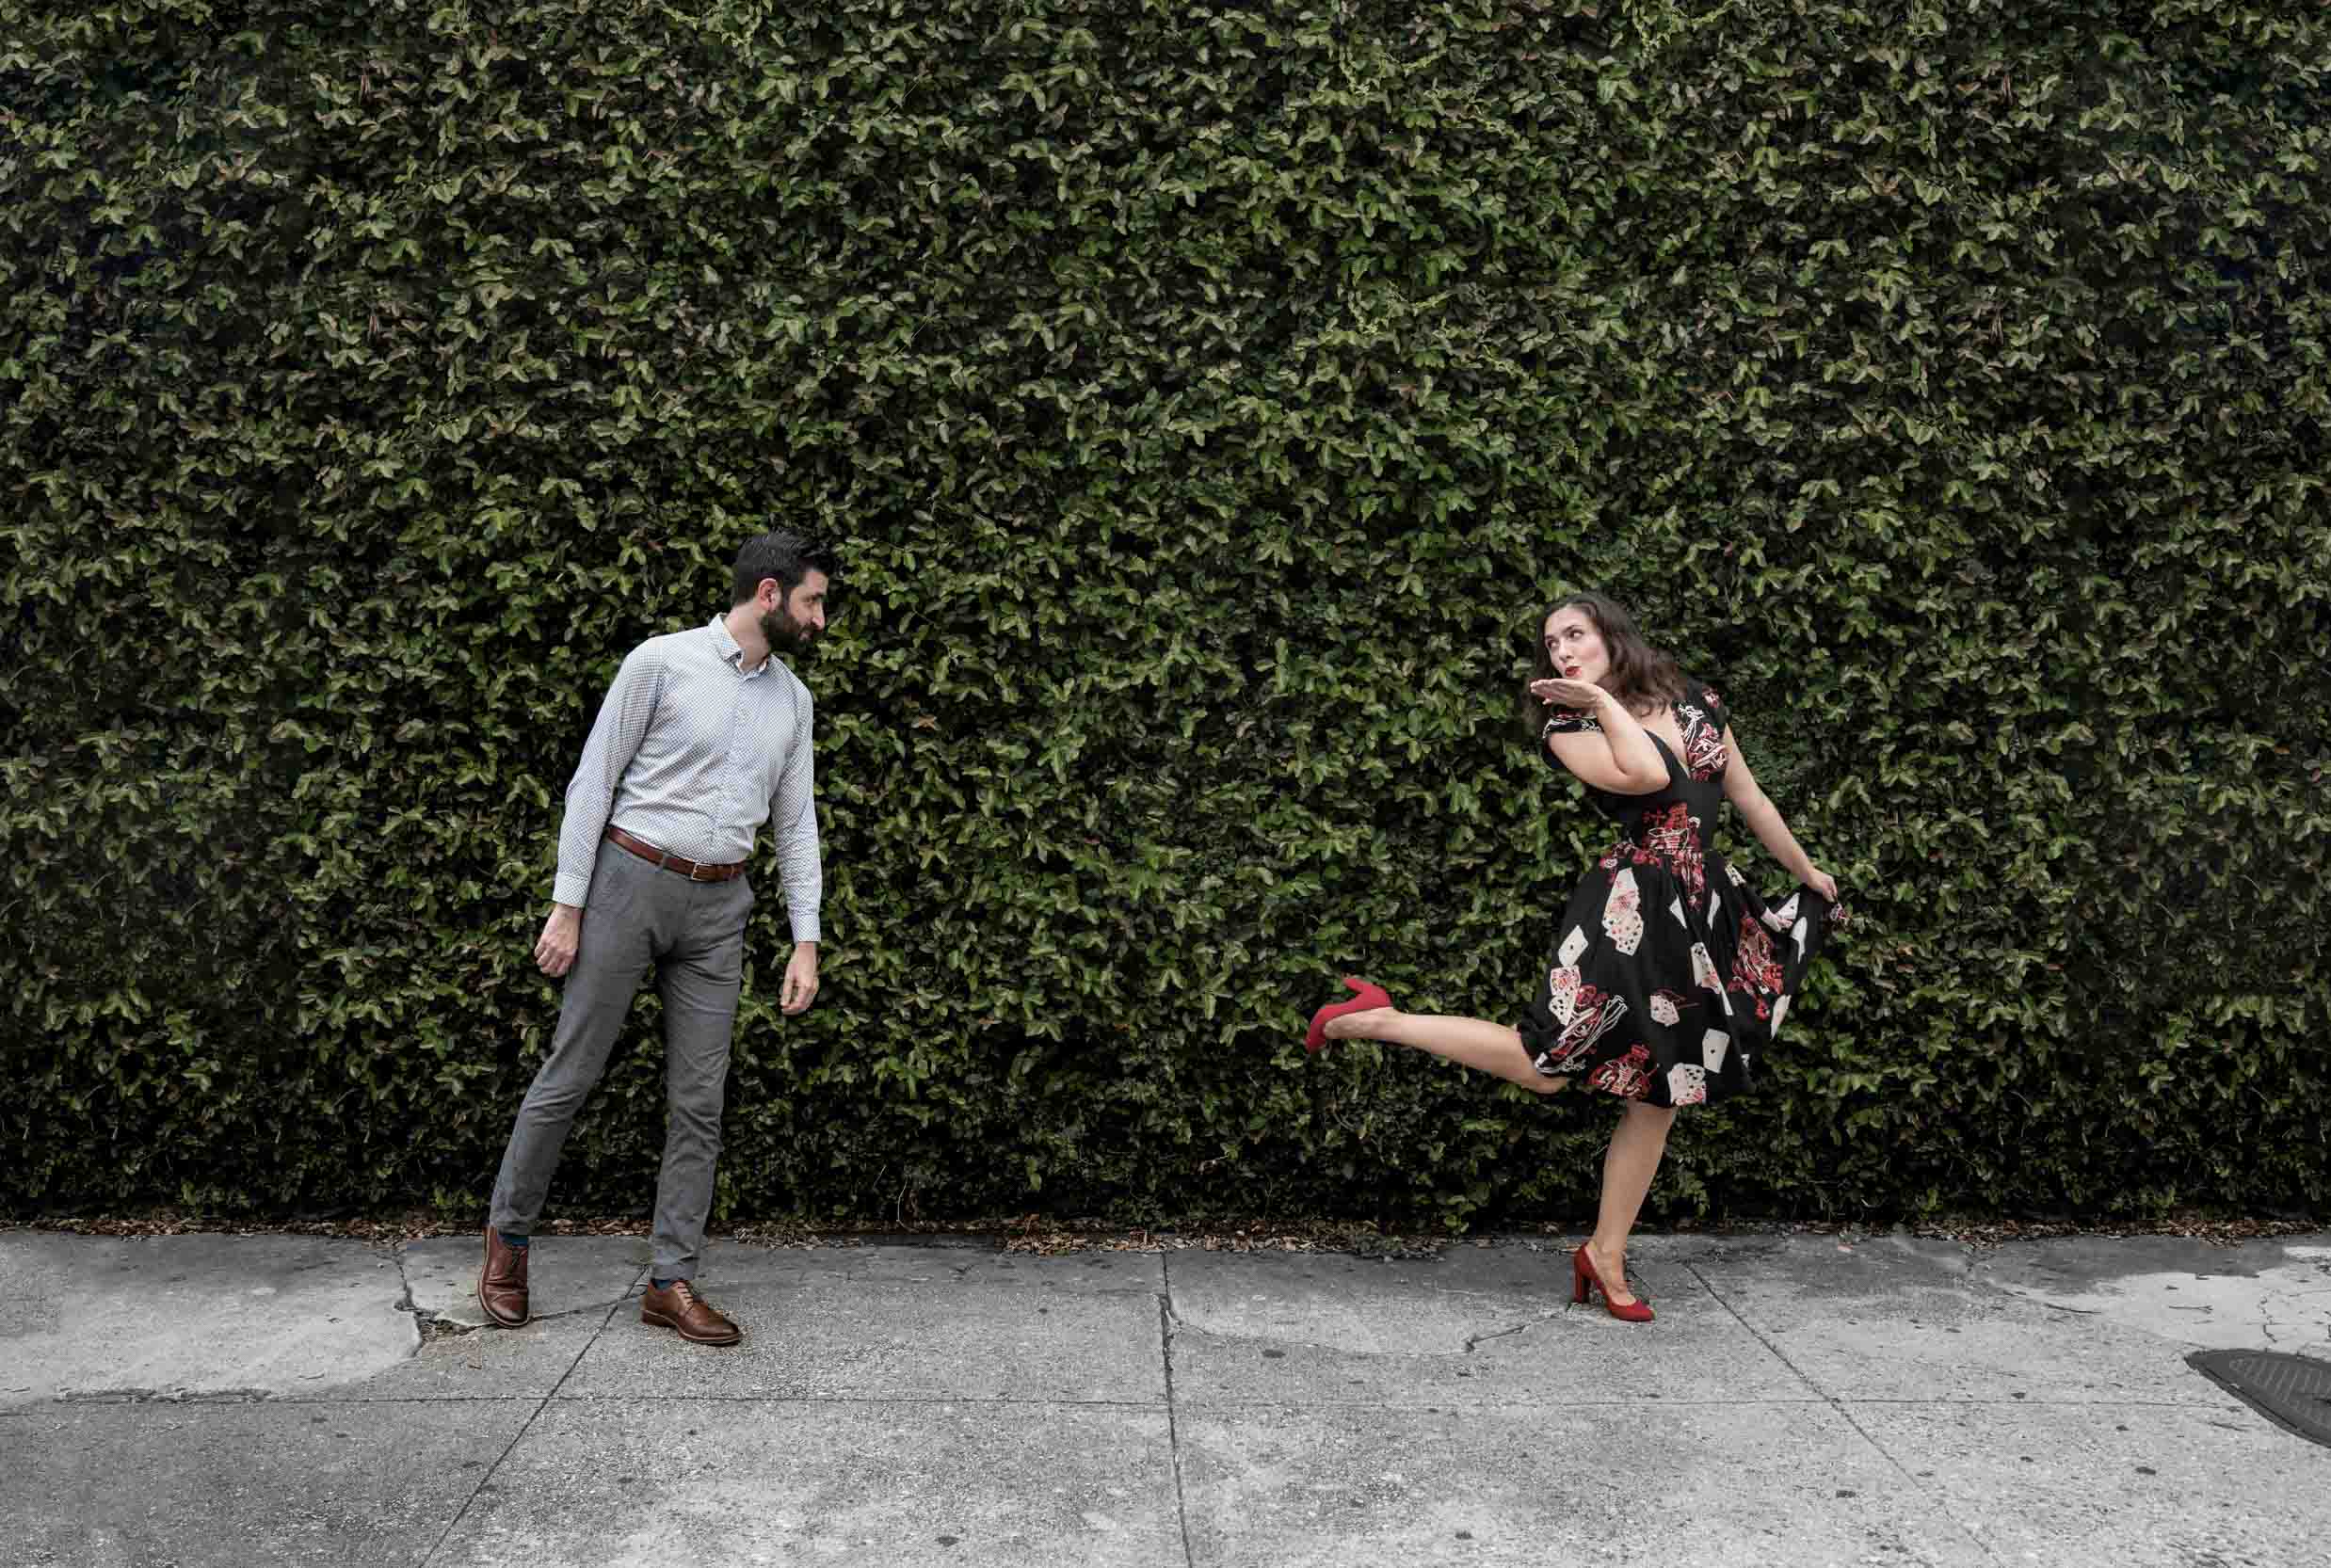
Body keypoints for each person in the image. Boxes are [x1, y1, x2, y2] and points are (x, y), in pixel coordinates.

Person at [1305, 592, 1842, 1321]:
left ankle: (1605, 1252)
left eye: (1575, 635)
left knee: (1661, 1093)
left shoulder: (1694, 697)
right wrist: (1597, 700)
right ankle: (1383, 1021)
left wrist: (1806, 871)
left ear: (1611, 634)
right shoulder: (1569, 727)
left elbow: (1746, 797)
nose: (1561, 651)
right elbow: (1647, 778)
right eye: (1552, 644)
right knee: (1547, 1067)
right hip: (1630, 910)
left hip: (1700, 902)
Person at [476, 529, 834, 1346]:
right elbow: (593, 780)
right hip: (627, 887)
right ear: (771, 594)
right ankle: (508, 1242)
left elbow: (798, 825)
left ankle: (670, 1282)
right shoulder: (661, 663)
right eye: (814, 601)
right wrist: (568, 906)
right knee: (572, 1072)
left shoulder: (794, 703)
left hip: (721, 909)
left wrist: (804, 938)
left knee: (699, 1103)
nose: (821, 620)